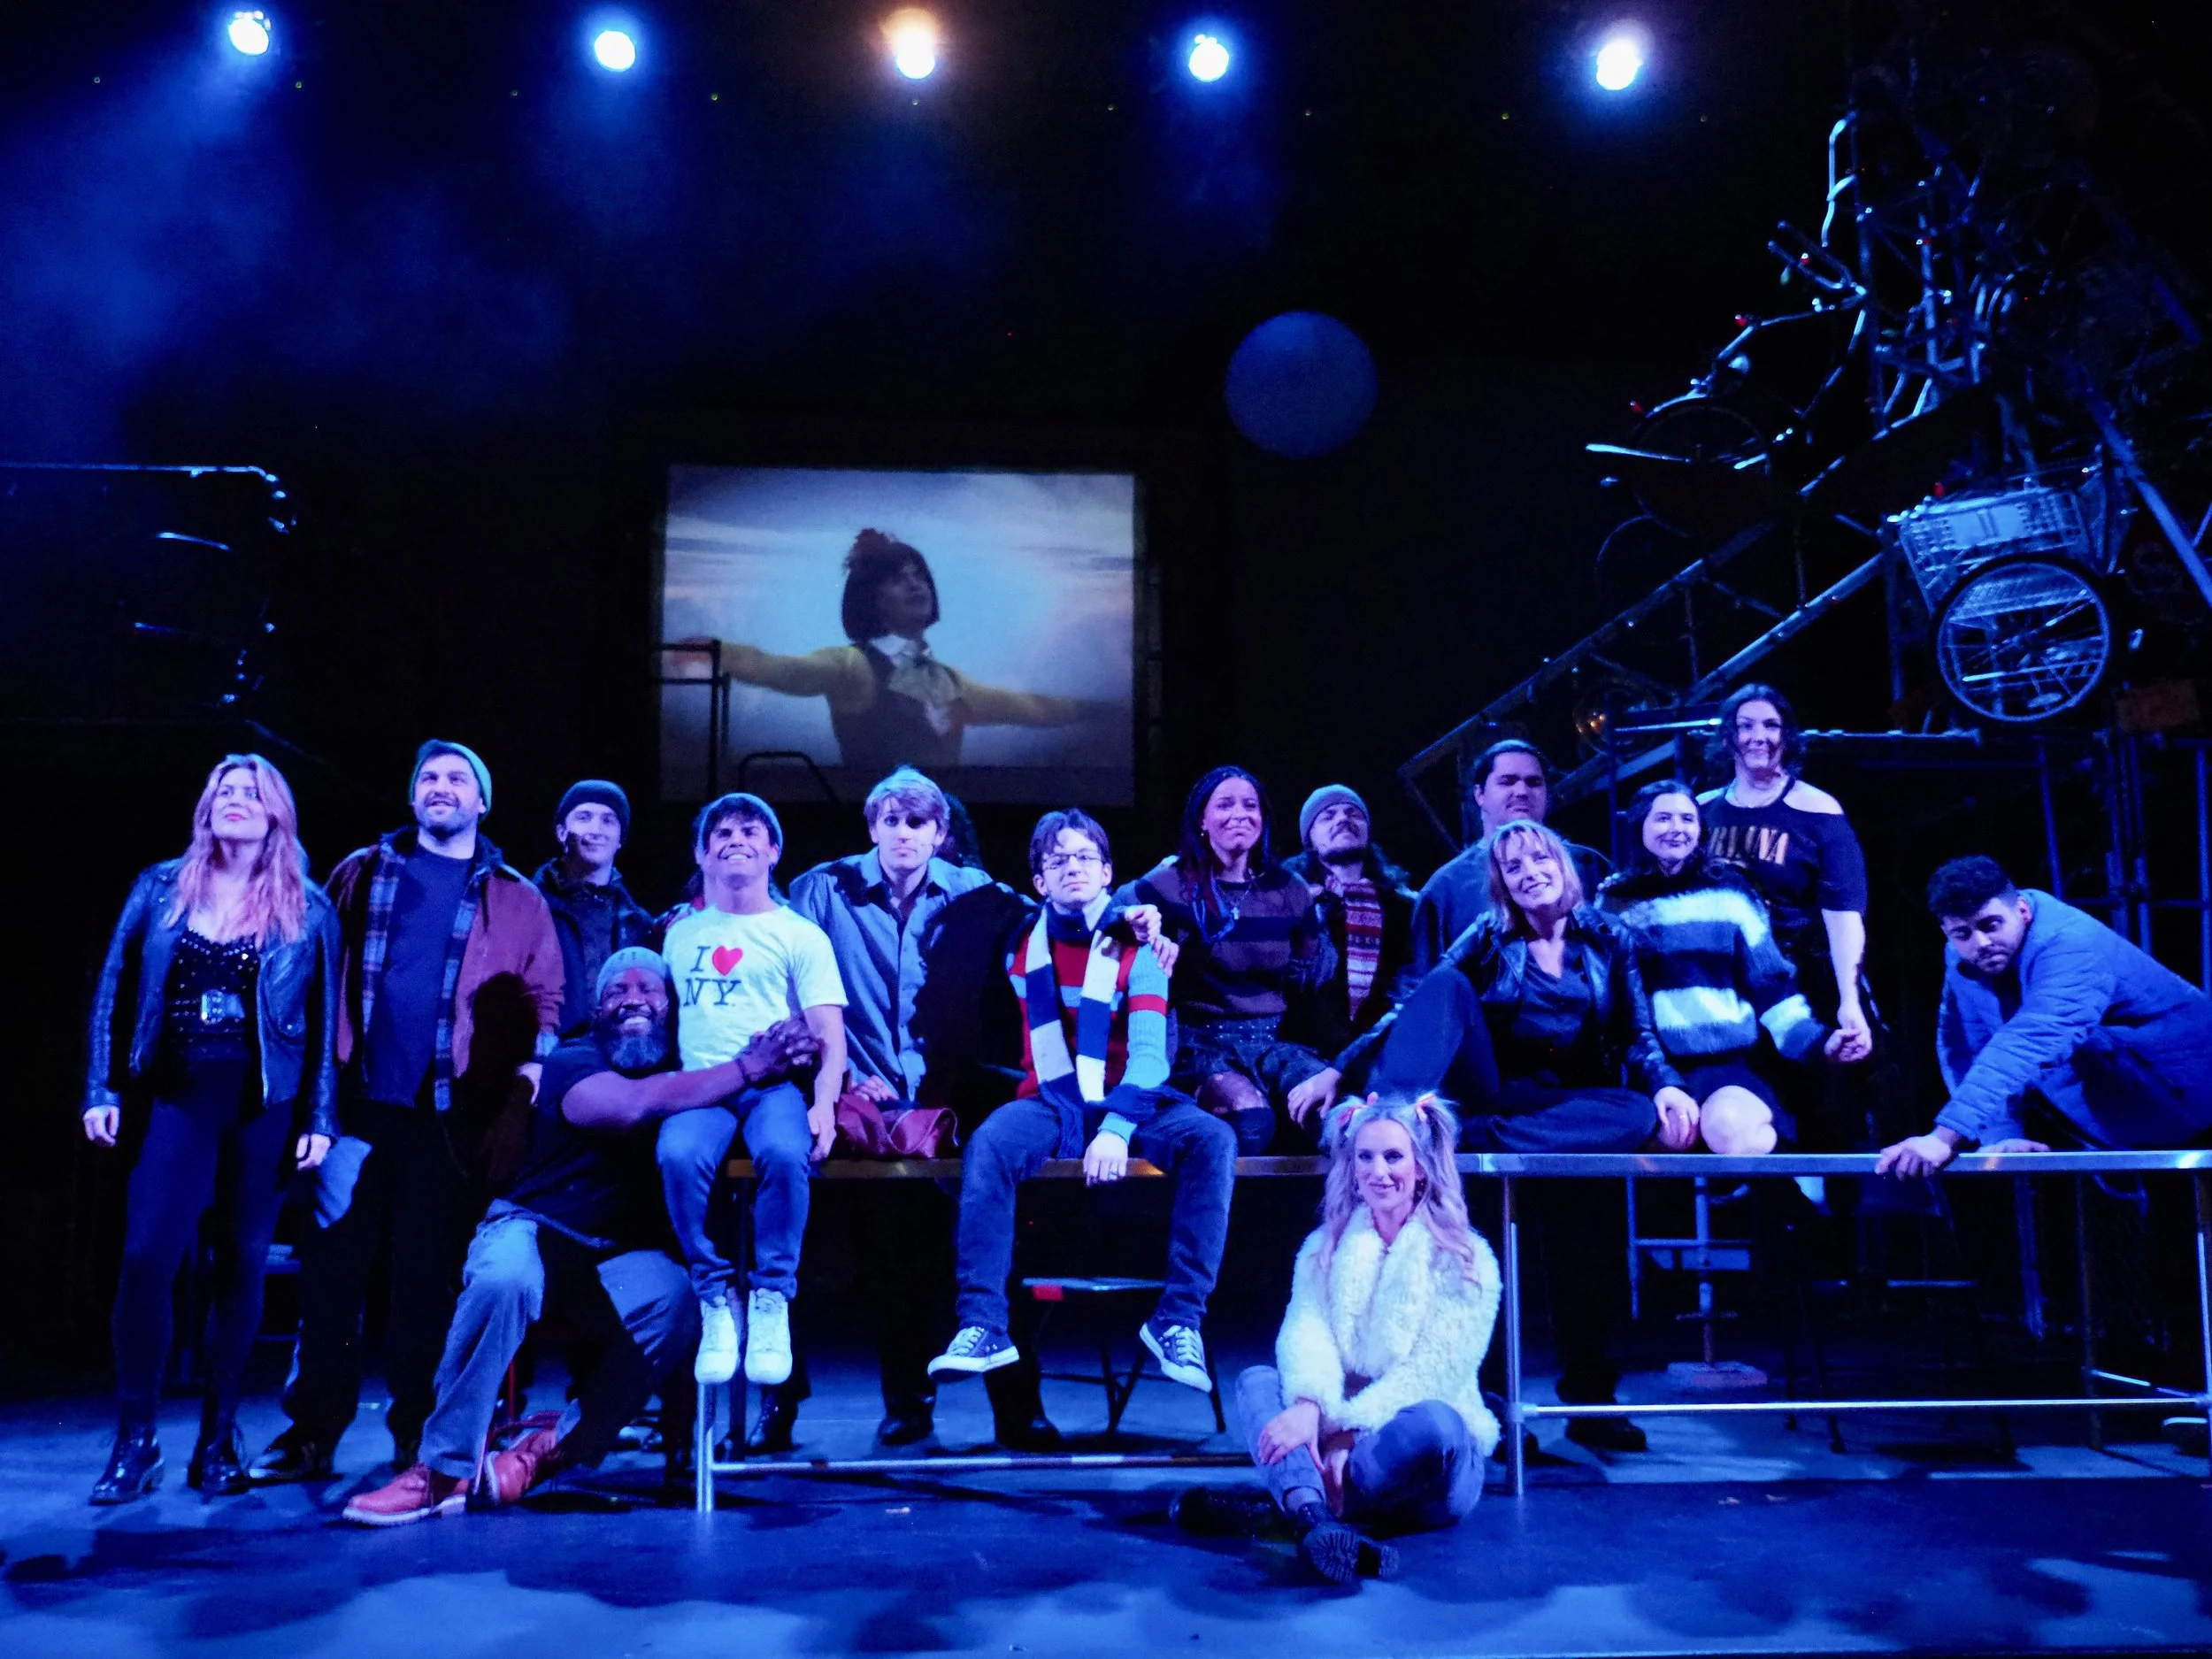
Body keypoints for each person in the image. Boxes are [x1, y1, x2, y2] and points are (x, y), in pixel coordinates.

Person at [340, 951, 820, 1525]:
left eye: (650, 988)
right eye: (618, 990)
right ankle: (441, 1467)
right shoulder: (575, 1057)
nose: (634, 998)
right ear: (597, 1010)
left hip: (621, 1258)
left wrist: (824, 1067)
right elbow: (630, 1107)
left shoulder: (693, 1064)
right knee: (503, 1278)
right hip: (537, 1228)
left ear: (674, 1006)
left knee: (688, 1304)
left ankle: (549, 1451)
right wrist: (750, 1066)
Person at [253, 741, 563, 1485]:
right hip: (356, 1110)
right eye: (428, 776)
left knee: (427, 1283)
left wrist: (522, 1092)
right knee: (332, 1276)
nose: (441, 786)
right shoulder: (361, 871)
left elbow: (546, 1001)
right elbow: (315, 971)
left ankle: (416, 1434)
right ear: (413, 794)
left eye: (458, 777)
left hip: (449, 1121)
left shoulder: (515, 896)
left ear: (483, 801)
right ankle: (311, 1431)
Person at [1364, 818, 1693, 1453]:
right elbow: (1423, 1003)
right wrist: (1338, 1070)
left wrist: (1668, 1085)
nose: (1529, 872)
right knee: (1489, 1264)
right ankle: (1490, 1409)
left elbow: (1637, 1033)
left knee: (1636, 1123)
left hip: (1569, 1113)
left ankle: (1592, 1403)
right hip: (1500, 1088)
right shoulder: (1489, 936)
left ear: (1562, 865)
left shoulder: (1609, 937)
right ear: (1503, 884)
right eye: (1513, 867)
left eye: (1539, 859)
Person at [81, 756, 339, 1503]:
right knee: (146, 1258)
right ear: (207, 806)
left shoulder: (308, 904)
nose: (236, 800)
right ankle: (136, 1440)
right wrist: (101, 1086)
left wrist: (320, 1116)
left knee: (243, 1264)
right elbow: (112, 986)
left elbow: (325, 1022)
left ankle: (219, 1435)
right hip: (177, 1093)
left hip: (264, 1102)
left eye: (251, 793)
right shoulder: (162, 884)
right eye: (225, 790)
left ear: (275, 812)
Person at [930, 810, 1237, 1409]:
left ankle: (1179, 1319)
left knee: (1213, 1140)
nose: (1073, 867)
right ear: (1039, 879)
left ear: (1108, 872)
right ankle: (983, 1324)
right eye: (1058, 860)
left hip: (1133, 1098)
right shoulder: (1019, 942)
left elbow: (1149, 1057)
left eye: (1085, 857)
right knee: (989, 1144)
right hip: (1051, 1096)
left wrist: (1117, 1128)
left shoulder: (1141, 947)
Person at [1176, 1094, 1497, 1585]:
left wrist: (1346, 1431)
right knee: (1259, 1381)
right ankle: (1320, 1525)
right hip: (1339, 1445)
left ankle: (1289, 1508)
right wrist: (1309, 1406)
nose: (1378, 1171)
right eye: (1365, 1157)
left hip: (1416, 1462)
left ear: (1420, 1169)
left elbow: (1433, 1373)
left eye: (1393, 1157)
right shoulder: (1323, 1248)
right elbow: (1306, 1331)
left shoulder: (1467, 1258)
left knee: (1437, 1424)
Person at [783, 767, 995, 1451]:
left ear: (940, 831)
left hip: (944, 1098)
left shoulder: (977, 893)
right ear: (872, 827)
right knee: (809, 1247)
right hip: (847, 1096)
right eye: (891, 820)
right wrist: (841, 1076)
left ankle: (972, 1407)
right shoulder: (823, 888)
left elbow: (1060, 918)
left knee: (950, 1249)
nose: (904, 833)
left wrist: (1137, 917)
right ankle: (787, 1404)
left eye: (917, 822)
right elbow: (787, 983)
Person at [657, 792, 848, 1396]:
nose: (735, 839)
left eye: (750, 831)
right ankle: (716, 1295)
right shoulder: (680, 935)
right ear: (700, 853)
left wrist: (824, 1104)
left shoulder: (799, 934)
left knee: (786, 1154)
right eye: (722, 832)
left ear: (773, 850)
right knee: (678, 1155)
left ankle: (771, 1297)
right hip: (702, 1084)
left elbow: (829, 1032)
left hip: (771, 1087)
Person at [1875, 856, 2212, 1176]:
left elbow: (2037, 1036)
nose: (1981, 942)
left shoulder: (2071, 943)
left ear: (2021, 909)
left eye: (1991, 925)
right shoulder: (1963, 957)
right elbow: (1966, 1045)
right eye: (1962, 933)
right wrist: (2000, 1134)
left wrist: (1944, 1137)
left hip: (2192, 1107)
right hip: (2136, 1127)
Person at [691, 528, 1113, 775]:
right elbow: (776, 668)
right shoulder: (852, 666)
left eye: (919, 576)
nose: (916, 585)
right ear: (871, 600)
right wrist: (709, 652)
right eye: (897, 579)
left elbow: (1032, 708)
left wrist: (1108, 711)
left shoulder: (949, 680)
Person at [1597, 780, 1869, 1153]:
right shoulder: (1613, 902)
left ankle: (1788, 1185)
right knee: (1669, 1136)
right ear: (1639, 826)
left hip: (1729, 1065)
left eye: (1687, 819)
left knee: (1727, 1128)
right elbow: (1619, 1009)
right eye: (1663, 818)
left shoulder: (1729, 889)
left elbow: (1771, 987)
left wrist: (1818, 1044)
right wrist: (1656, 1076)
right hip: (1654, 1068)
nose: (1676, 828)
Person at [1121, 766, 1344, 1154]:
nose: (1240, 814)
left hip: (1271, 1043)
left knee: (1334, 1113)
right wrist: (1140, 930)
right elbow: (1112, 920)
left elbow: (1309, 977)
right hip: (1200, 1044)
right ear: (1202, 820)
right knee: (1249, 1119)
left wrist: (1317, 922)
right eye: (1225, 805)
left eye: (1250, 806)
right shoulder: (1169, 884)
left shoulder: (1288, 889)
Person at [1698, 683, 1877, 1144]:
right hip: (1727, 992)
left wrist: (1850, 1000)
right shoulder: (1701, 812)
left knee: (1823, 1118)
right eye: (1746, 726)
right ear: (1729, 737)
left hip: (1801, 985)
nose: (1758, 736)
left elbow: (1844, 915)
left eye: (1771, 725)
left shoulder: (1817, 810)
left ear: (1787, 735)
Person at [1279, 784, 1422, 1130]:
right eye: (1328, 816)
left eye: (1353, 813)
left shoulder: (1406, 908)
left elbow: (1411, 995)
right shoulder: (1288, 905)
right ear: (1309, 839)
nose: (1342, 819)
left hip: (1382, 1061)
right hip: (1305, 1063)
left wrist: (1353, 1064)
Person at [1409, 740, 1613, 977]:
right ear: (1480, 794)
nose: (1522, 792)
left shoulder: (1588, 864)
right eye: (1507, 781)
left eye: (1534, 782)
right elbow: (1425, 979)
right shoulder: (1446, 888)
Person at [534, 779, 657, 1038]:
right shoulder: (530, 907)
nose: (596, 830)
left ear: (620, 839)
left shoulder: (639, 924)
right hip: (549, 1053)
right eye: (584, 818)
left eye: (608, 821)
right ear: (561, 832)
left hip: (616, 1053)